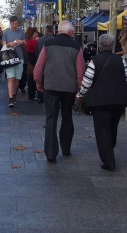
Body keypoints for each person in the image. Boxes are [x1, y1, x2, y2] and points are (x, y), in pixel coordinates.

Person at [77, 33, 127, 171]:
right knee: (112, 127)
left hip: (100, 101)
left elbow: (87, 81)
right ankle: (110, 149)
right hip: (118, 101)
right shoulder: (121, 60)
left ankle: (108, 160)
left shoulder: (95, 61)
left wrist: (80, 95)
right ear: (113, 46)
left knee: (102, 130)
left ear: (100, 46)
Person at [33, 20, 85, 162]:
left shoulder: (48, 45)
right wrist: (80, 87)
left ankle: (50, 152)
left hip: (50, 86)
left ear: (58, 31)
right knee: (67, 116)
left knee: (51, 118)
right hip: (69, 88)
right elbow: (81, 71)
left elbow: (38, 68)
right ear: (70, 32)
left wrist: (39, 82)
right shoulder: (76, 46)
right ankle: (66, 147)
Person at [1, 15, 26, 107]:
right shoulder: (6, 32)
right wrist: (9, 44)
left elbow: (25, 44)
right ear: (10, 23)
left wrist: (22, 42)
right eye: (13, 23)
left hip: (20, 58)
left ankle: (14, 94)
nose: (15, 25)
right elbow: (3, 44)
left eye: (16, 23)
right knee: (11, 78)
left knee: (17, 79)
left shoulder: (22, 32)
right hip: (9, 59)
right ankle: (11, 98)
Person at [35, 24, 56, 103]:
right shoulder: (55, 40)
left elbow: (36, 52)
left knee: (41, 79)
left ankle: (40, 96)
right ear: (52, 31)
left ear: (45, 31)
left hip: (41, 63)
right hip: (51, 63)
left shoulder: (40, 40)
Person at [24, 27, 39, 101]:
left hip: (30, 59)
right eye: (36, 32)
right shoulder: (33, 41)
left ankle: (31, 94)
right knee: (34, 77)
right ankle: (32, 95)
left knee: (30, 77)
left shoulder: (27, 40)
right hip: (34, 59)